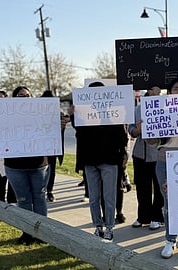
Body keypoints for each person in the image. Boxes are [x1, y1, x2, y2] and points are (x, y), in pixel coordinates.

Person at [4, 86, 68, 245]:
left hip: (39, 164)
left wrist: (59, 128)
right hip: (15, 166)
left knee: (39, 197)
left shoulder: (42, 115)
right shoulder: (6, 117)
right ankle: (27, 233)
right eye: (20, 96)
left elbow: (52, 136)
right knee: (23, 199)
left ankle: (42, 233)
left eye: (27, 95)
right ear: (13, 98)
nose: (24, 98)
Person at [69, 81, 129, 241]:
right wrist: (74, 114)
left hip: (109, 160)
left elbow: (123, 138)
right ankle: (98, 226)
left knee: (109, 197)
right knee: (94, 197)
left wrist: (121, 160)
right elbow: (78, 129)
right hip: (90, 161)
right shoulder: (83, 114)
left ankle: (109, 227)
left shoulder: (114, 113)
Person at [147, 78, 178, 261]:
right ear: (169, 93)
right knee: (169, 203)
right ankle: (170, 239)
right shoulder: (160, 112)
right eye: (176, 88)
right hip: (164, 161)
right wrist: (147, 129)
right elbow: (151, 143)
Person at [129, 85, 164, 230]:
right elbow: (131, 129)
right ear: (148, 90)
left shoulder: (165, 105)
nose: (157, 91)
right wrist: (137, 130)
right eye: (154, 88)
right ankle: (143, 216)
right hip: (140, 153)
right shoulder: (138, 108)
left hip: (158, 153)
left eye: (159, 88)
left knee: (159, 186)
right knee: (142, 187)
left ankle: (157, 217)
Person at [0, 90, 17, 204]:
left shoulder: (13, 114)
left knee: (12, 177)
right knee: (0, 178)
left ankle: (12, 201)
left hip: (12, 150)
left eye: (2, 98)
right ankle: (0, 202)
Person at [40, 90, 66, 202]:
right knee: (42, 170)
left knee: (51, 169)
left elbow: (63, 127)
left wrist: (63, 126)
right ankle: (43, 190)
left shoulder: (58, 113)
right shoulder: (36, 113)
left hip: (53, 146)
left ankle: (49, 190)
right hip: (40, 146)